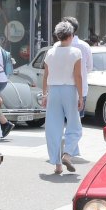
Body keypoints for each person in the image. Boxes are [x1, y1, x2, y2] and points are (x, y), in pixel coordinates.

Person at [42, 22, 84, 175]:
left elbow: (46, 75)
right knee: (74, 126)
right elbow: (78, 76)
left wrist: (44, 94)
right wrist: (81, 96)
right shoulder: (75, 52)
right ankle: (67, 153)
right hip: (69, 90)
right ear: (71, 35)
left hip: (53, 90)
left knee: (53, 128)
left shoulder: (50, 52)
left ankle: (57, 164)